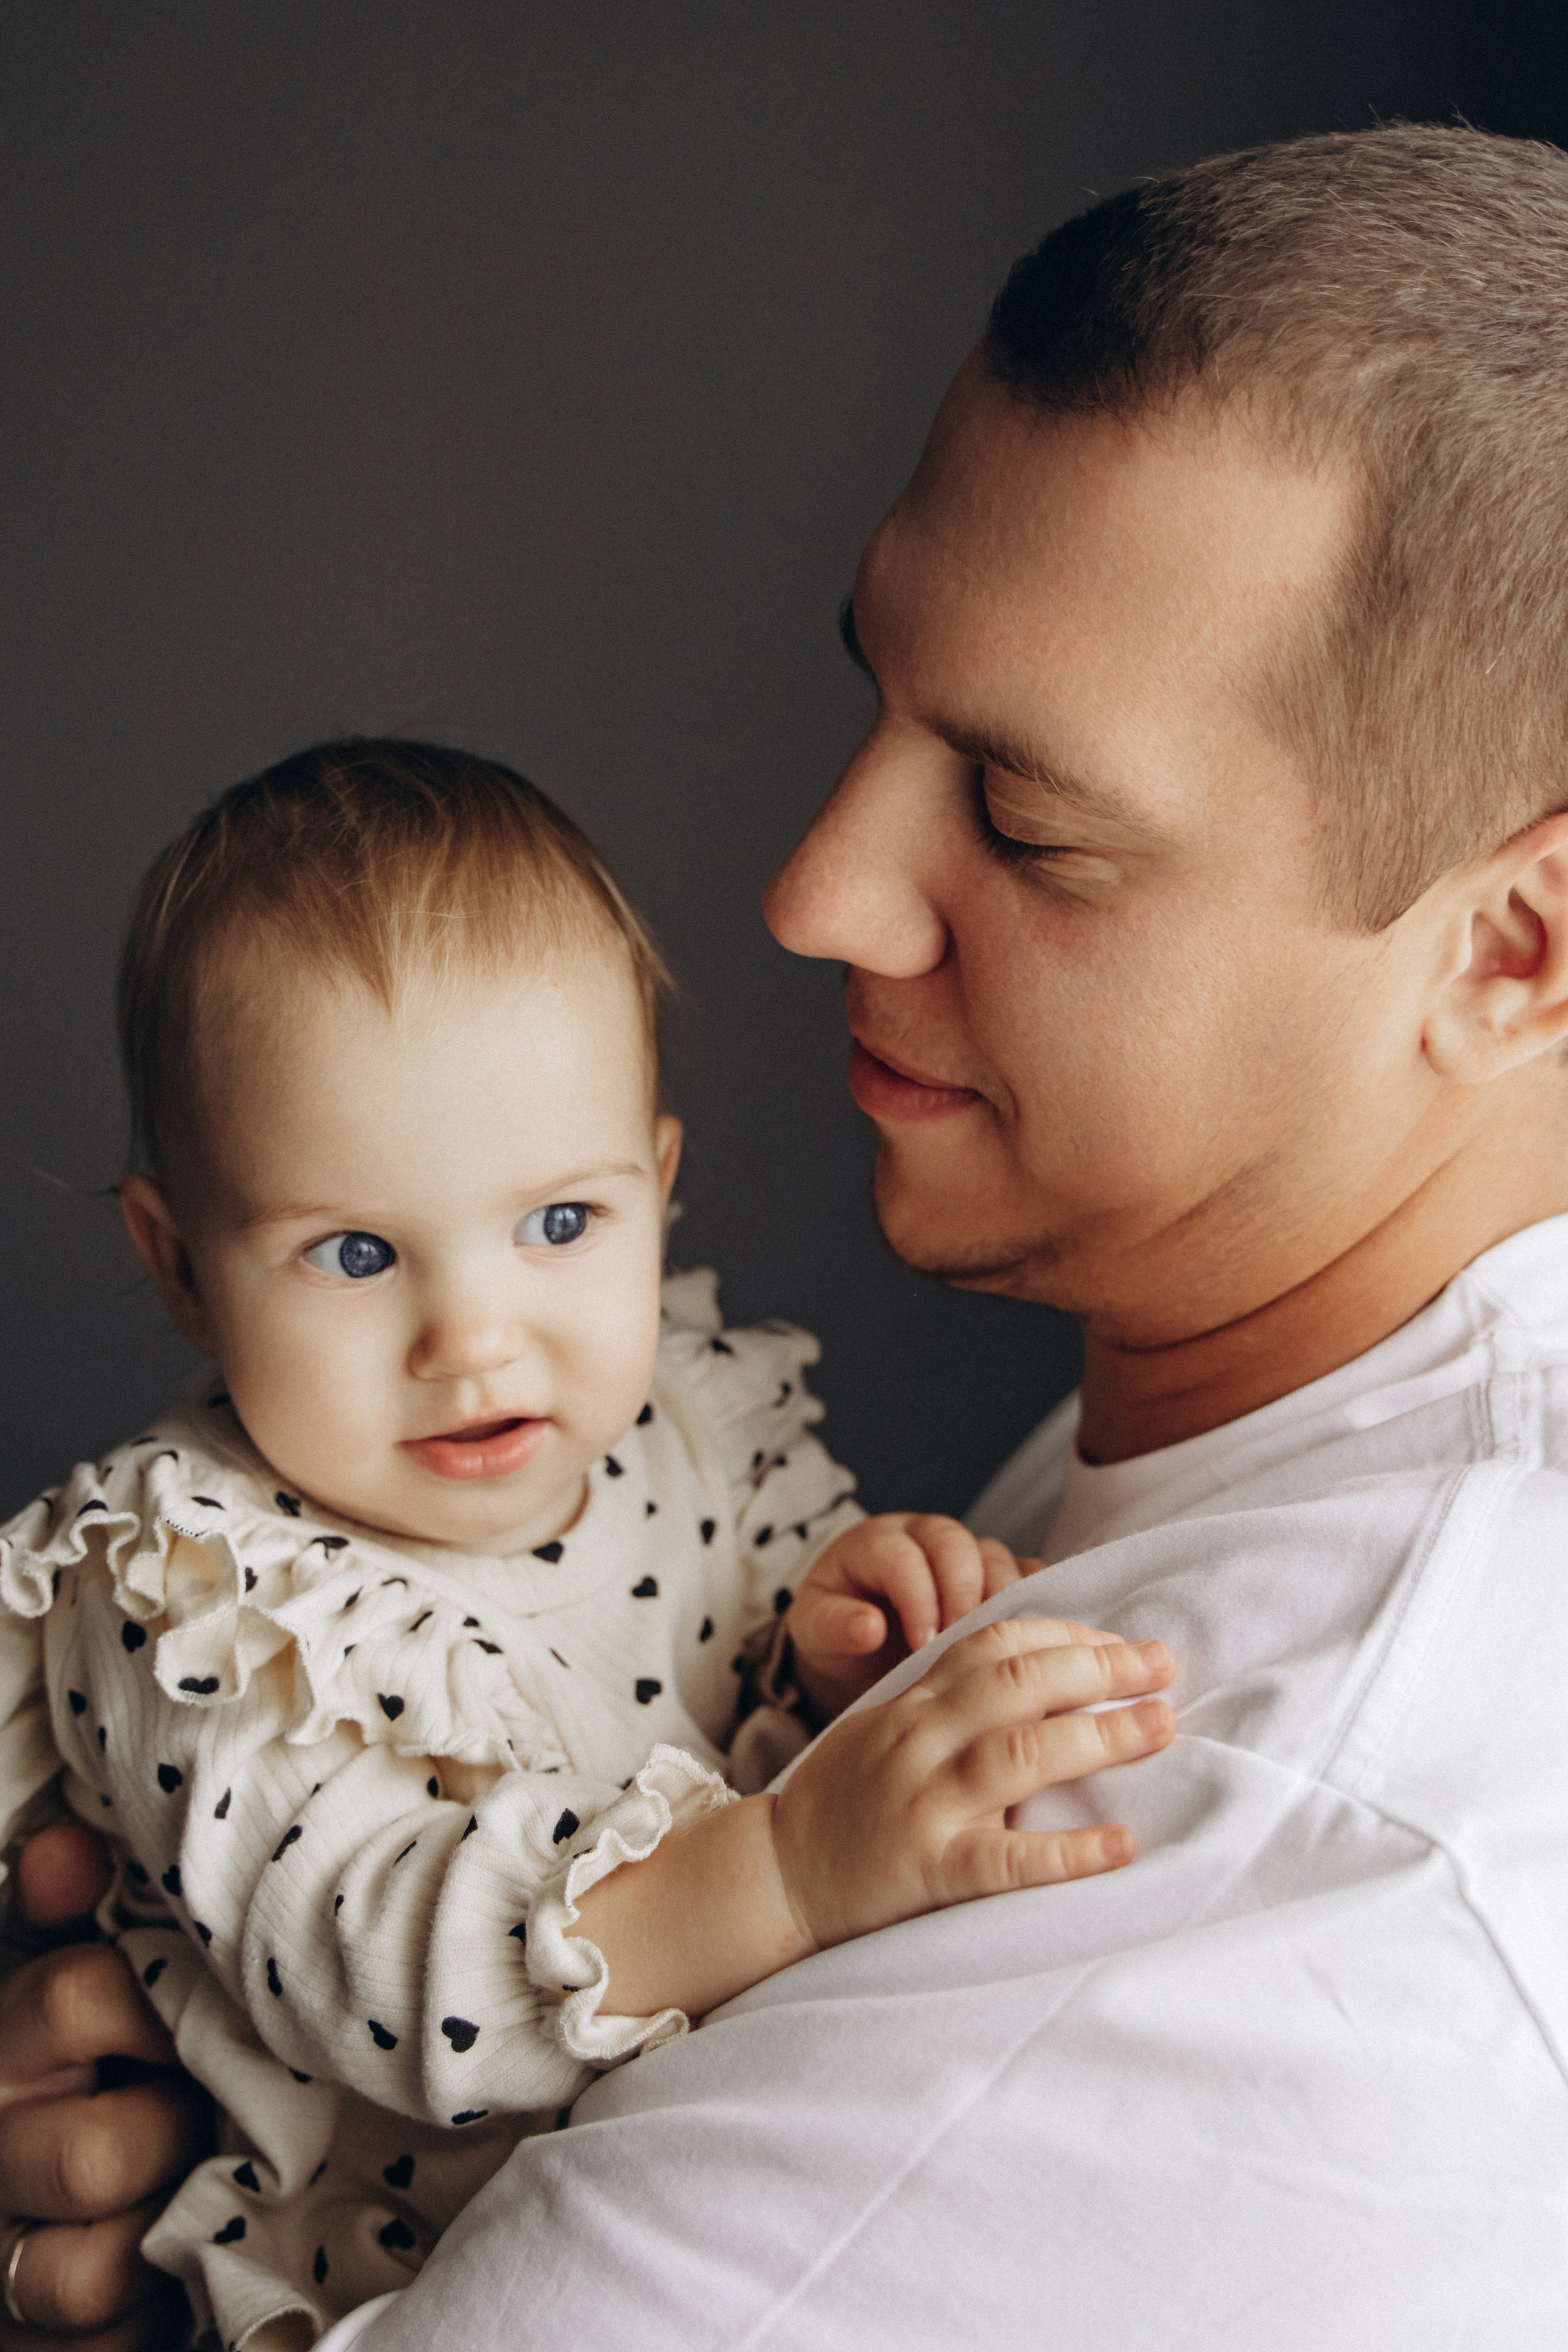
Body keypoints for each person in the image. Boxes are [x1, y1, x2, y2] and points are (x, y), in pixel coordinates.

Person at [8, 114, 1568, 2349]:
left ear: (1515, 948)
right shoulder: (1175, 1447)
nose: (814, 889)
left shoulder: (1315, 1835)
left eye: (1023, 818)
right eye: (878, 700)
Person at [0, 741, 1175, 2349]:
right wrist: (782, 1866)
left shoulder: (693, 1423)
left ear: (658, 1187)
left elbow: (772, 1693)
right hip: (396, 2296)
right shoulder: (195, 1587)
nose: (475, 1340)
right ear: (181, 1265)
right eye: (356, 1253)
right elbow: (369, 1969)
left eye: (560, 1224)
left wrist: (844, 1641)